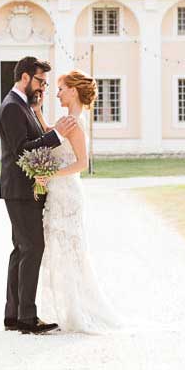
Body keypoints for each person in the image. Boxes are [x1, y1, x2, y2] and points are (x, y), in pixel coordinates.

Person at [35, 70, 121, 334]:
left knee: (70, 252)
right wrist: (38, 112)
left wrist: (50, 174)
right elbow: (52, 133)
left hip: (68, 195)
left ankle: (76, 312)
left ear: (73, 91)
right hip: (58, 193)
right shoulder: (68, 119)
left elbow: (82, 163)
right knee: (56, 250)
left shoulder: (77, 123)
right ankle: (62, 310)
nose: (57, 93)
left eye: (61, 88)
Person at [0, 56, 76, 335]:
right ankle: (28, 319)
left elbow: (31, 139)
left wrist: (43, 119)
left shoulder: (24, 106)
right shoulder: (11, 108)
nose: (43, 87)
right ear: (26, 77)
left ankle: (13, 315)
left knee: (21, 249)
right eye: (40, 81)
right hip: (19, 190)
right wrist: (56, 136)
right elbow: (22, 150)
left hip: (23, 189)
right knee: (32, 248)